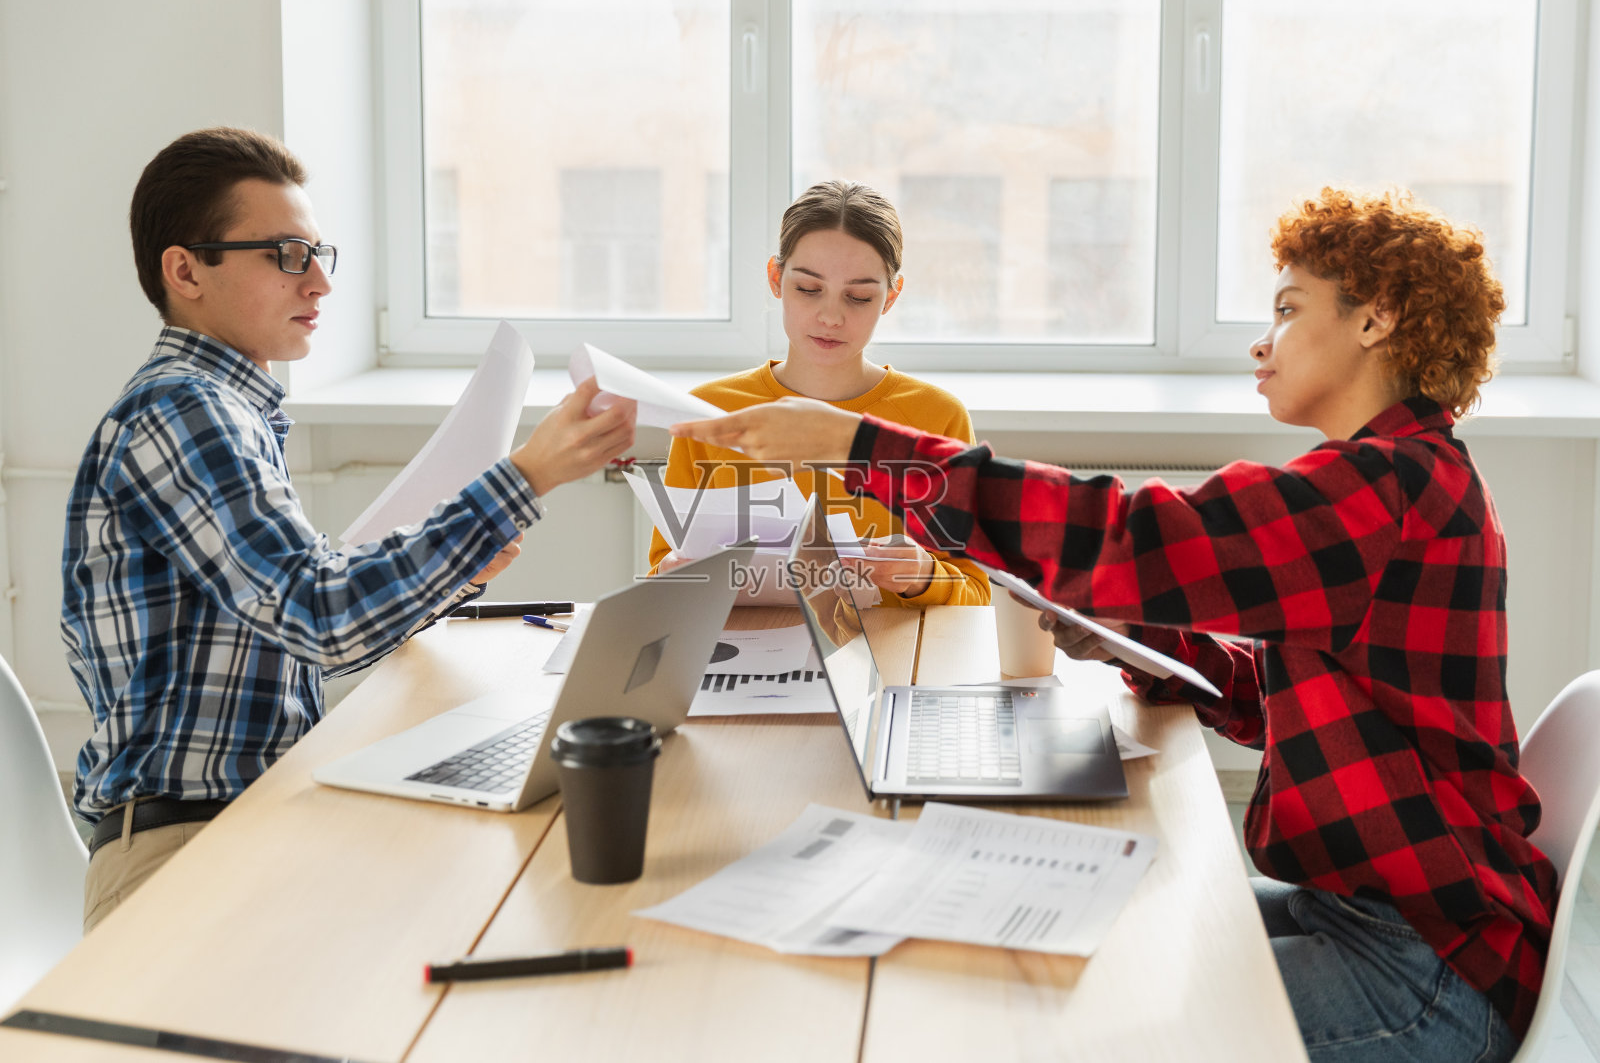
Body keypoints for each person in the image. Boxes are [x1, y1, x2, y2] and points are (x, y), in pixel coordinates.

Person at [670, 187, 1555, 1063]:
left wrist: (861, 448)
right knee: (1086, 952)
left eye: (1288, 309)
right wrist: (1145, 646)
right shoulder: (1394, 479)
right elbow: (1273, 693)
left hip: (1426, 973)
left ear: (1378, 320)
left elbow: (1130, 534)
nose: (1262, 338)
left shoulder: (1384, 489)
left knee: (1081, 1023)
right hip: (1368, 915)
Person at [63, 127, 635, 931]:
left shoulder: (226, 408)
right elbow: (323, 619)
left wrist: (453, 570)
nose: (321, 283)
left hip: (252, 817)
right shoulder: (180, 411)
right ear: (185, 269)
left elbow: (305, 628)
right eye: (287, 255)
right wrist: (527, 474)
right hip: (180, 851)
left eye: (320, 254)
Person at [648, 180, 988, 607]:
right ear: (776, 277)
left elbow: (976, 590)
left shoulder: (936, 417)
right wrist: (676, 577)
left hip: (894, 659)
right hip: (746, 657)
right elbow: (664, 572)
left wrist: (922, 575)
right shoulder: (710, 412)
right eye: (809, 289)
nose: (831, 316)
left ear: (891, 297)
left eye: (859, 297)